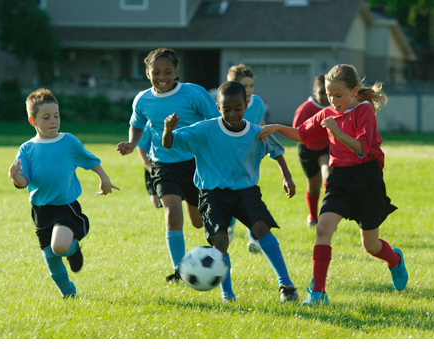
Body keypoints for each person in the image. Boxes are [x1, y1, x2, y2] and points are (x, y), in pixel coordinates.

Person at [257, 64, 408, 305]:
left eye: (339, 95)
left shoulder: (364, 111)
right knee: (323, 228)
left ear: (354, 91)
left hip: (366, 179)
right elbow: (303, 134)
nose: (333, 100)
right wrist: (277, 128)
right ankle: (318, 292)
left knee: (370, 245)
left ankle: (394, 260)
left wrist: (337, 132)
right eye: (329, 95)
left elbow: (362, 149)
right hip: (338, 180)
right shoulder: (327, 113)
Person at [163, 81, 299, 303]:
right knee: (220, 239)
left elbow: (276, 151)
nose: (232, 113)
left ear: (246, 105)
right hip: (212, 193)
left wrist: (287, 176)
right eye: (226, 109)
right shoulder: (204, 129)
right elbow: (169, 143)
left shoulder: (256, 132)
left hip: (245, 191)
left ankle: (286, 285)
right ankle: (228, 295)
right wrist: (168, 130)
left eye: (238, 108)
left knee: (261, 227)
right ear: (218, 107)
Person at [116, 48, 220, 282]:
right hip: (163, 164)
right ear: (147, 72)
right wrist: (132, 143)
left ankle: (224, 225)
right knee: (173, 216)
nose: (162, 76)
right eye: (156, 72)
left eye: (167, 71)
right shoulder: (143, 99)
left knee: (197, 222)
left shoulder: (193, 93)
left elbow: (214, 121)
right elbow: (137, 123)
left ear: (176, 72)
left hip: (195, 162)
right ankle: (180, 271)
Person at [8, 88, 119, 298]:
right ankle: (69, 295)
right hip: (41, 211)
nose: (53, 121)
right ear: (33, 121)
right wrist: (15, 176)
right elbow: (23, 182)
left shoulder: (68, 141)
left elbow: (90, 160)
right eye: (46, 117)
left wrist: (104, 178)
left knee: (59, 246)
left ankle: (73, 248)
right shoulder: (27, 149)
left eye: (56, 116)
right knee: (51, 259)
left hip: (65, 207)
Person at [226, 63, 266, 253]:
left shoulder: (257, 103)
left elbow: (259, 124)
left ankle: (253, 237)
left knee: (249, 195)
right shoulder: (226, 104)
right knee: (231, 195)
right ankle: (229, 225)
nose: (249, 90)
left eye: (251, 85)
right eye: (245, 86)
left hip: (249, 158)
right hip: (227, 158)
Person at [292, 75, 332, 227]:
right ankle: (313, 218)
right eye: (321, 93)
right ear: (314, 91)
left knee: (328, 177)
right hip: (307, 148)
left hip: (327, 147)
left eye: (328, 93)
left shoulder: (335, 106)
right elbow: (296, 131)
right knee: (313, 187)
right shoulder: (305, 109)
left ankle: (327, 218)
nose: (325, 97)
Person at [137, 121, 161, 208]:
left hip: (172, 162)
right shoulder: (149, 125)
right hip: (153, 162)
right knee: (156, 204)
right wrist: (147, 164)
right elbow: (141, 146)